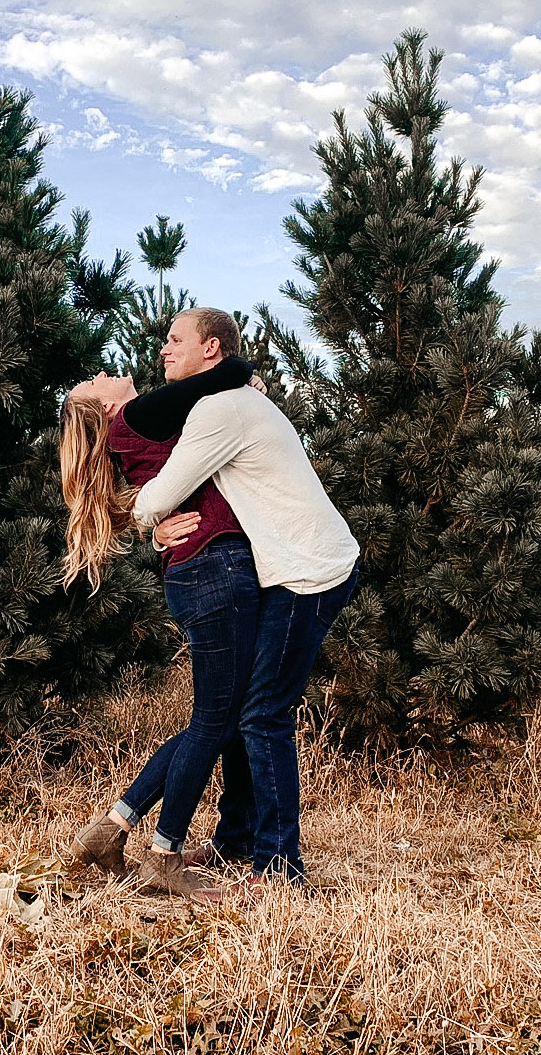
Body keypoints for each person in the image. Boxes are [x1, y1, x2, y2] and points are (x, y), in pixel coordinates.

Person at [132, 328, 360, 899]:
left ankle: (280, 866)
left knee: (262, 716)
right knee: (240, 711)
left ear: (211, 348)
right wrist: (161, 533)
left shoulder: (220, 410)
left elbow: (157, 497)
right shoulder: (232, 400)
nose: (164, 349)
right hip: (290, 566)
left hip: (307, 573)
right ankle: (236, 839)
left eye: (176, 339)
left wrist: (150, 519)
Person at [59, 309, 265, 898]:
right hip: (216, 569)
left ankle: (115, 828)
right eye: (94, 381)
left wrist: (153, 525)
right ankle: (163, 852)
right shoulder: (136, 415)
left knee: (224, 718)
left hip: (202, 569)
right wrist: (245, 376)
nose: (104, 372)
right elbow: (222, 378)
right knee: (216, 720)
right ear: (102, 407)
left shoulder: (140, 425)